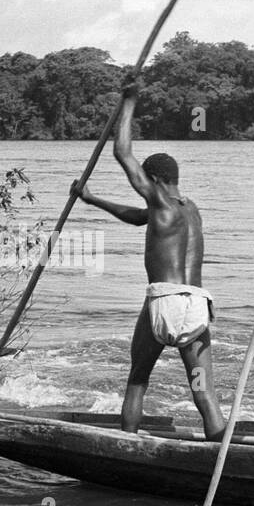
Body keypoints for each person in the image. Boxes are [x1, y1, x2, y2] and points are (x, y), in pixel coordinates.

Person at [72, 85, 227, 440]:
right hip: (197, 307)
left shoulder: (158, 199)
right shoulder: (189, 209)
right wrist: (92, 199)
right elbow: (138, 217)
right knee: (202, 390)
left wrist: (128, 103)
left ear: (154, 180)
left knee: (138, 378)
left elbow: (122, 152)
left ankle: (126, 446)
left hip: (165, 303)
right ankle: (221, 456)